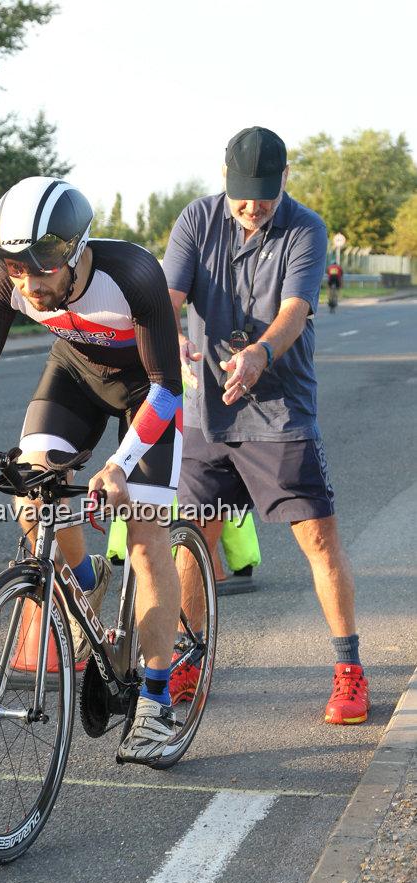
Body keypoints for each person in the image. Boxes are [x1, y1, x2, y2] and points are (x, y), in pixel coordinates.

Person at [0, 176, 185, 760]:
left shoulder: (134, 274)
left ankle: (157, 702)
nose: (26, 284)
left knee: (143, 534)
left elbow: (168, 388)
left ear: (74, 251)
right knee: (30, 493)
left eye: (40, 271)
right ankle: (86, 599)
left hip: (149, 392)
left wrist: (118, 465)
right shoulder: (8, 278)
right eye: (15, 269)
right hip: (75, 376)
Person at [163, 126, 369, 725]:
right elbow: (167, 295)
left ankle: (349, 670)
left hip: (279, 415)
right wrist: (167, 332)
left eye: (263, 194)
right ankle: (190, 660)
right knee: (190, 540)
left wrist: (259, 355)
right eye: (240, 195)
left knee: (318, 541)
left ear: (284, 180)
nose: (250, 206)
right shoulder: (197, 220)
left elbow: (295, 312)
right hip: (206, 412)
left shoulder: (305, 227)